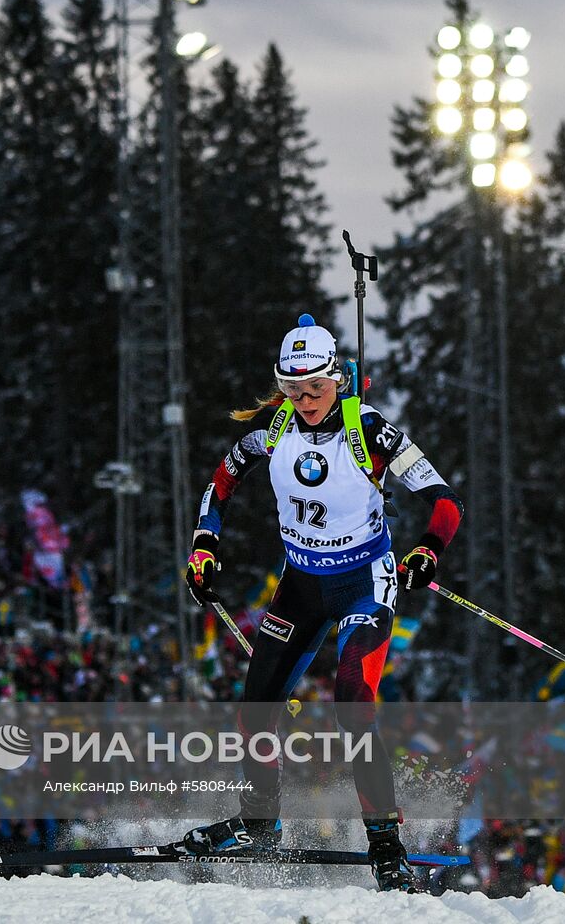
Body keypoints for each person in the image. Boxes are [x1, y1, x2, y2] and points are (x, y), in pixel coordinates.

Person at [180, 314, 464, 893]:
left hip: (365, 581)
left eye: (316, 388)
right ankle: (260, 824)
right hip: (302, 584)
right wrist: (204, 545)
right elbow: (221, 483)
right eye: (293, 389)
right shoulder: (273, 426)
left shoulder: (370, 430)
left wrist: (427, 552)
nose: (305, 400)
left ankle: (387, 842)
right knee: (255, 705)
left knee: (353, 709)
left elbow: (445, 501)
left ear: (338, 378)